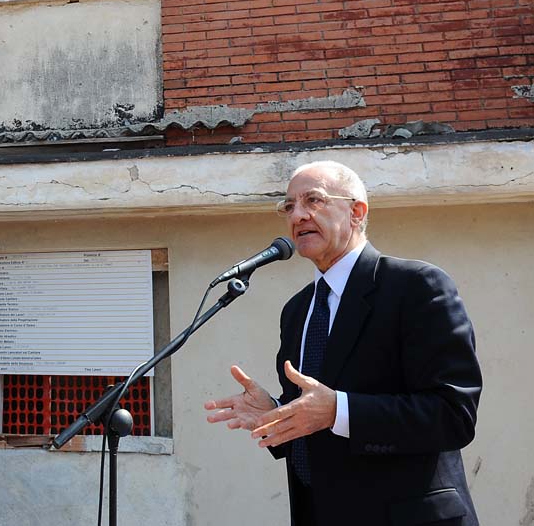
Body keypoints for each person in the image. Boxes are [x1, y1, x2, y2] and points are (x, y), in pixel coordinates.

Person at [205, 160, 482, 526]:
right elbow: (312, 413)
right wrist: (275, 413)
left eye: (314, 200)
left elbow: (453, 415)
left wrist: (339, 411)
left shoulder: (416, 286)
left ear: (357, 212)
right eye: (289, 206)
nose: (298, 215)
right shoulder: (297, 310)